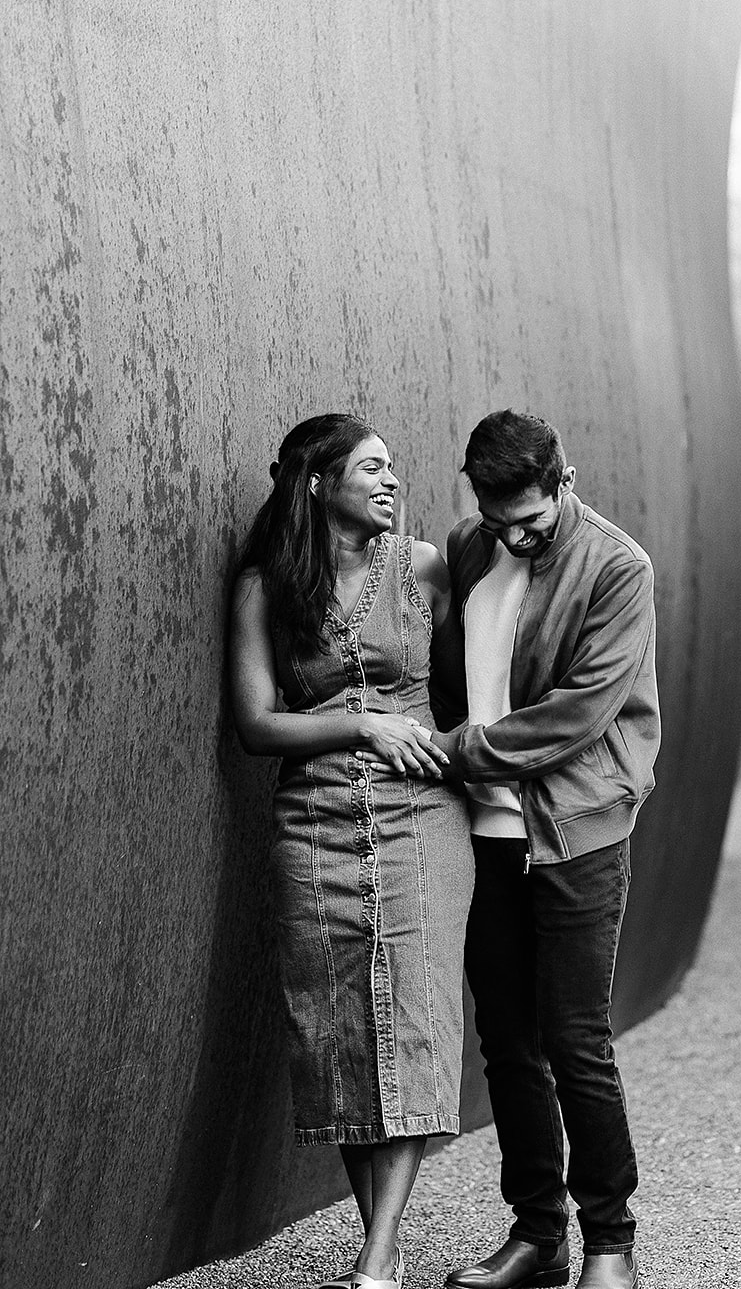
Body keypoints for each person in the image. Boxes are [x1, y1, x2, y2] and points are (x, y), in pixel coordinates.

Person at [229, 413, 473, 1289]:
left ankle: (376, 1258)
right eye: (370, 467)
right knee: (334, 1030)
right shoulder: (267, 587)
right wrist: (361, 723)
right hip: (314, 821)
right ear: (314, 483)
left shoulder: (427, 569)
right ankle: (386, 1248)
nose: (390, 480)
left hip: (422, 817)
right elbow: (258, 724)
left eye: (394, 467)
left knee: (411, 1019)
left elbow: (481, 673)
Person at [436, 410, 660, 1289]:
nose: (516, 536)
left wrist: (458, 750)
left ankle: (611, 1242)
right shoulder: (468, 548)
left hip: (575, 831)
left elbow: (579, 713)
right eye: (499, 522)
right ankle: (539, 1237)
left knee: (576, 1041)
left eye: (530, 518)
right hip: (484, 834)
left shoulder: (617, 566)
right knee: (506, 1042)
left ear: (564, 479)